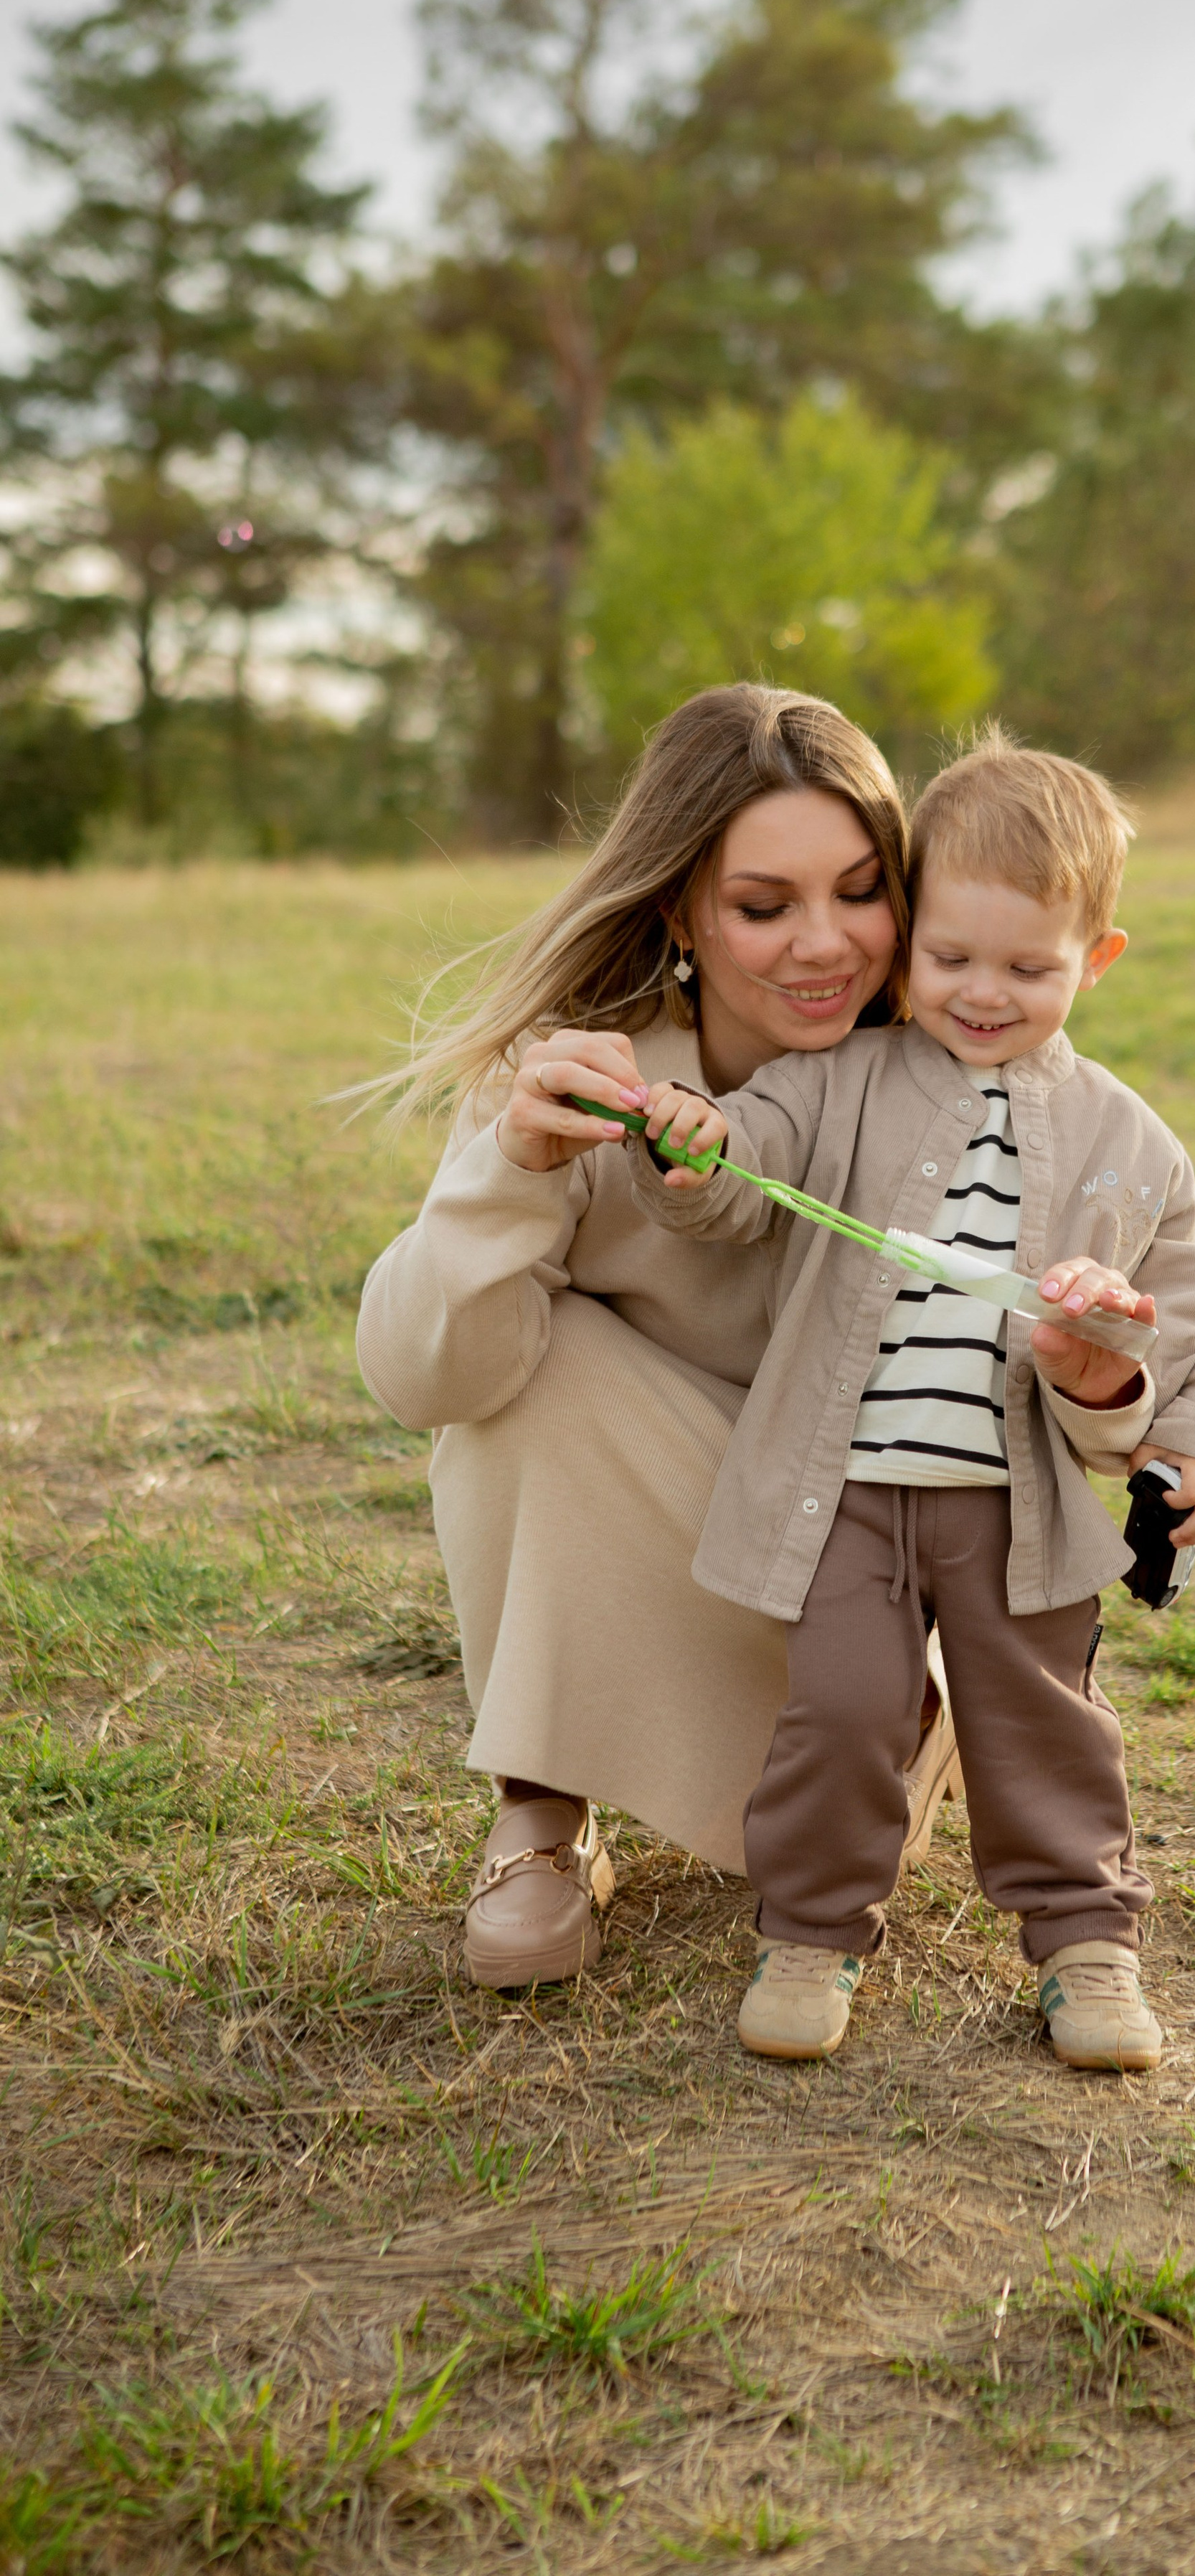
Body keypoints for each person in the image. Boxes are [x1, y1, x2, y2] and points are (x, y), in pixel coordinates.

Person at [604, 730, 1195, 2073]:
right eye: (950, 958)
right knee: (840, 1708)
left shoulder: (1133, 1141)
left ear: (1097, 959)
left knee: (1043, 1720)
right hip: (845, 1500)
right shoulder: (835, 1085)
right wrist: (699, 1145)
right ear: (908, 942)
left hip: (1018, 1515)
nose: (983, 993)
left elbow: (1193, 1317)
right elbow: (743, 1174)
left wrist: (1192, 1448)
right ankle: (812, 1928)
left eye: (1029, 967)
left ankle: (1087, 1943)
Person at [354, 685, 959, 1992]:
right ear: (681, 909)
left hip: (855, 1596)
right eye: (764, 905)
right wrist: (511, 1168)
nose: (826, 945)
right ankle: (542, 1807)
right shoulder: (580, 1074)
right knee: (525, 1362)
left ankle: (901, 1733)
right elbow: (422, 1380)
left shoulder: (950, 1084)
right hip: (664, 1530)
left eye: (863, 891)